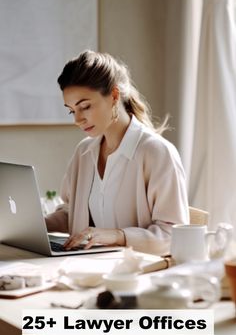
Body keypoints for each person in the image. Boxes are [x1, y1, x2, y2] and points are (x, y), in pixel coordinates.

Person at [45, 50, 189, 255]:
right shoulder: (84, 152)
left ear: (114, 95)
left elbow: (173, 235)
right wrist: (34, 225)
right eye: (71, 110)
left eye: (85, 106)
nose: (77, 119)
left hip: (138, 274)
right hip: (87, 269)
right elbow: (72, 212)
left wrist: (118, 235)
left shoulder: (157, 153)